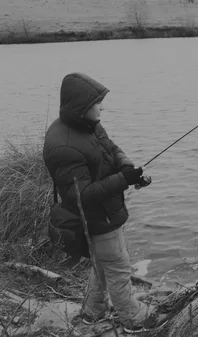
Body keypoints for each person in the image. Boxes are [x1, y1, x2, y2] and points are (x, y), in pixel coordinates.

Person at [43, 72, 158, 333]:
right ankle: (133, 319)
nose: (102, 107)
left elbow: (111, 147)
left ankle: (92, 313)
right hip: (96, 218)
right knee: (117, 267)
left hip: (106, 211)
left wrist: (129, 170)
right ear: (83, 107)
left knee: (103, 264)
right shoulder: (64, 146)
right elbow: (80, 197)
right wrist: (122, 180)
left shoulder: (87, 124)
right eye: (97, 103)